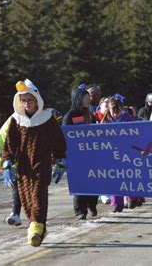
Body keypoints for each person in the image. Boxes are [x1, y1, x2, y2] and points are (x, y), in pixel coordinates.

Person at [2, 79, 67, 247]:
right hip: (23, 167)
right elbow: (9, 144)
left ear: (37, 100)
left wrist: (60, 160)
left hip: (41, 164)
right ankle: (39, 229)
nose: (26, 104)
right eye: (23, 100)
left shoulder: (47, 118)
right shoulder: (16, 120)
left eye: (29, 100)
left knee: (38, 196)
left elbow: (59, 141)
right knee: (27, 200)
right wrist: (7, 163)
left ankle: (36, 230)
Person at [63, 83, 99, 220]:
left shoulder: (89, 114)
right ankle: (80, 211)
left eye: (88, 98)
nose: (87, 100)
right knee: (80, 182)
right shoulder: (70, 116)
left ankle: (92, 205)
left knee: (93, 179)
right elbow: (66, 136)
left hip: (90, 154)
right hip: (76, 156)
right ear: (78, 99)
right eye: (85, 98)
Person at [101, 96, 136, 212]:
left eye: (117, 111)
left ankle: (132, 197)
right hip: (112, 153)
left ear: (121, 109)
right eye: (113, 112)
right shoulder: (105, 121)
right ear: (109, 111)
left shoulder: (127, 119)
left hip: (126, 152)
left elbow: (135, 133)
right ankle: (117, 202)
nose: (115, 114)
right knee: (114, 177)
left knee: (128, 175)